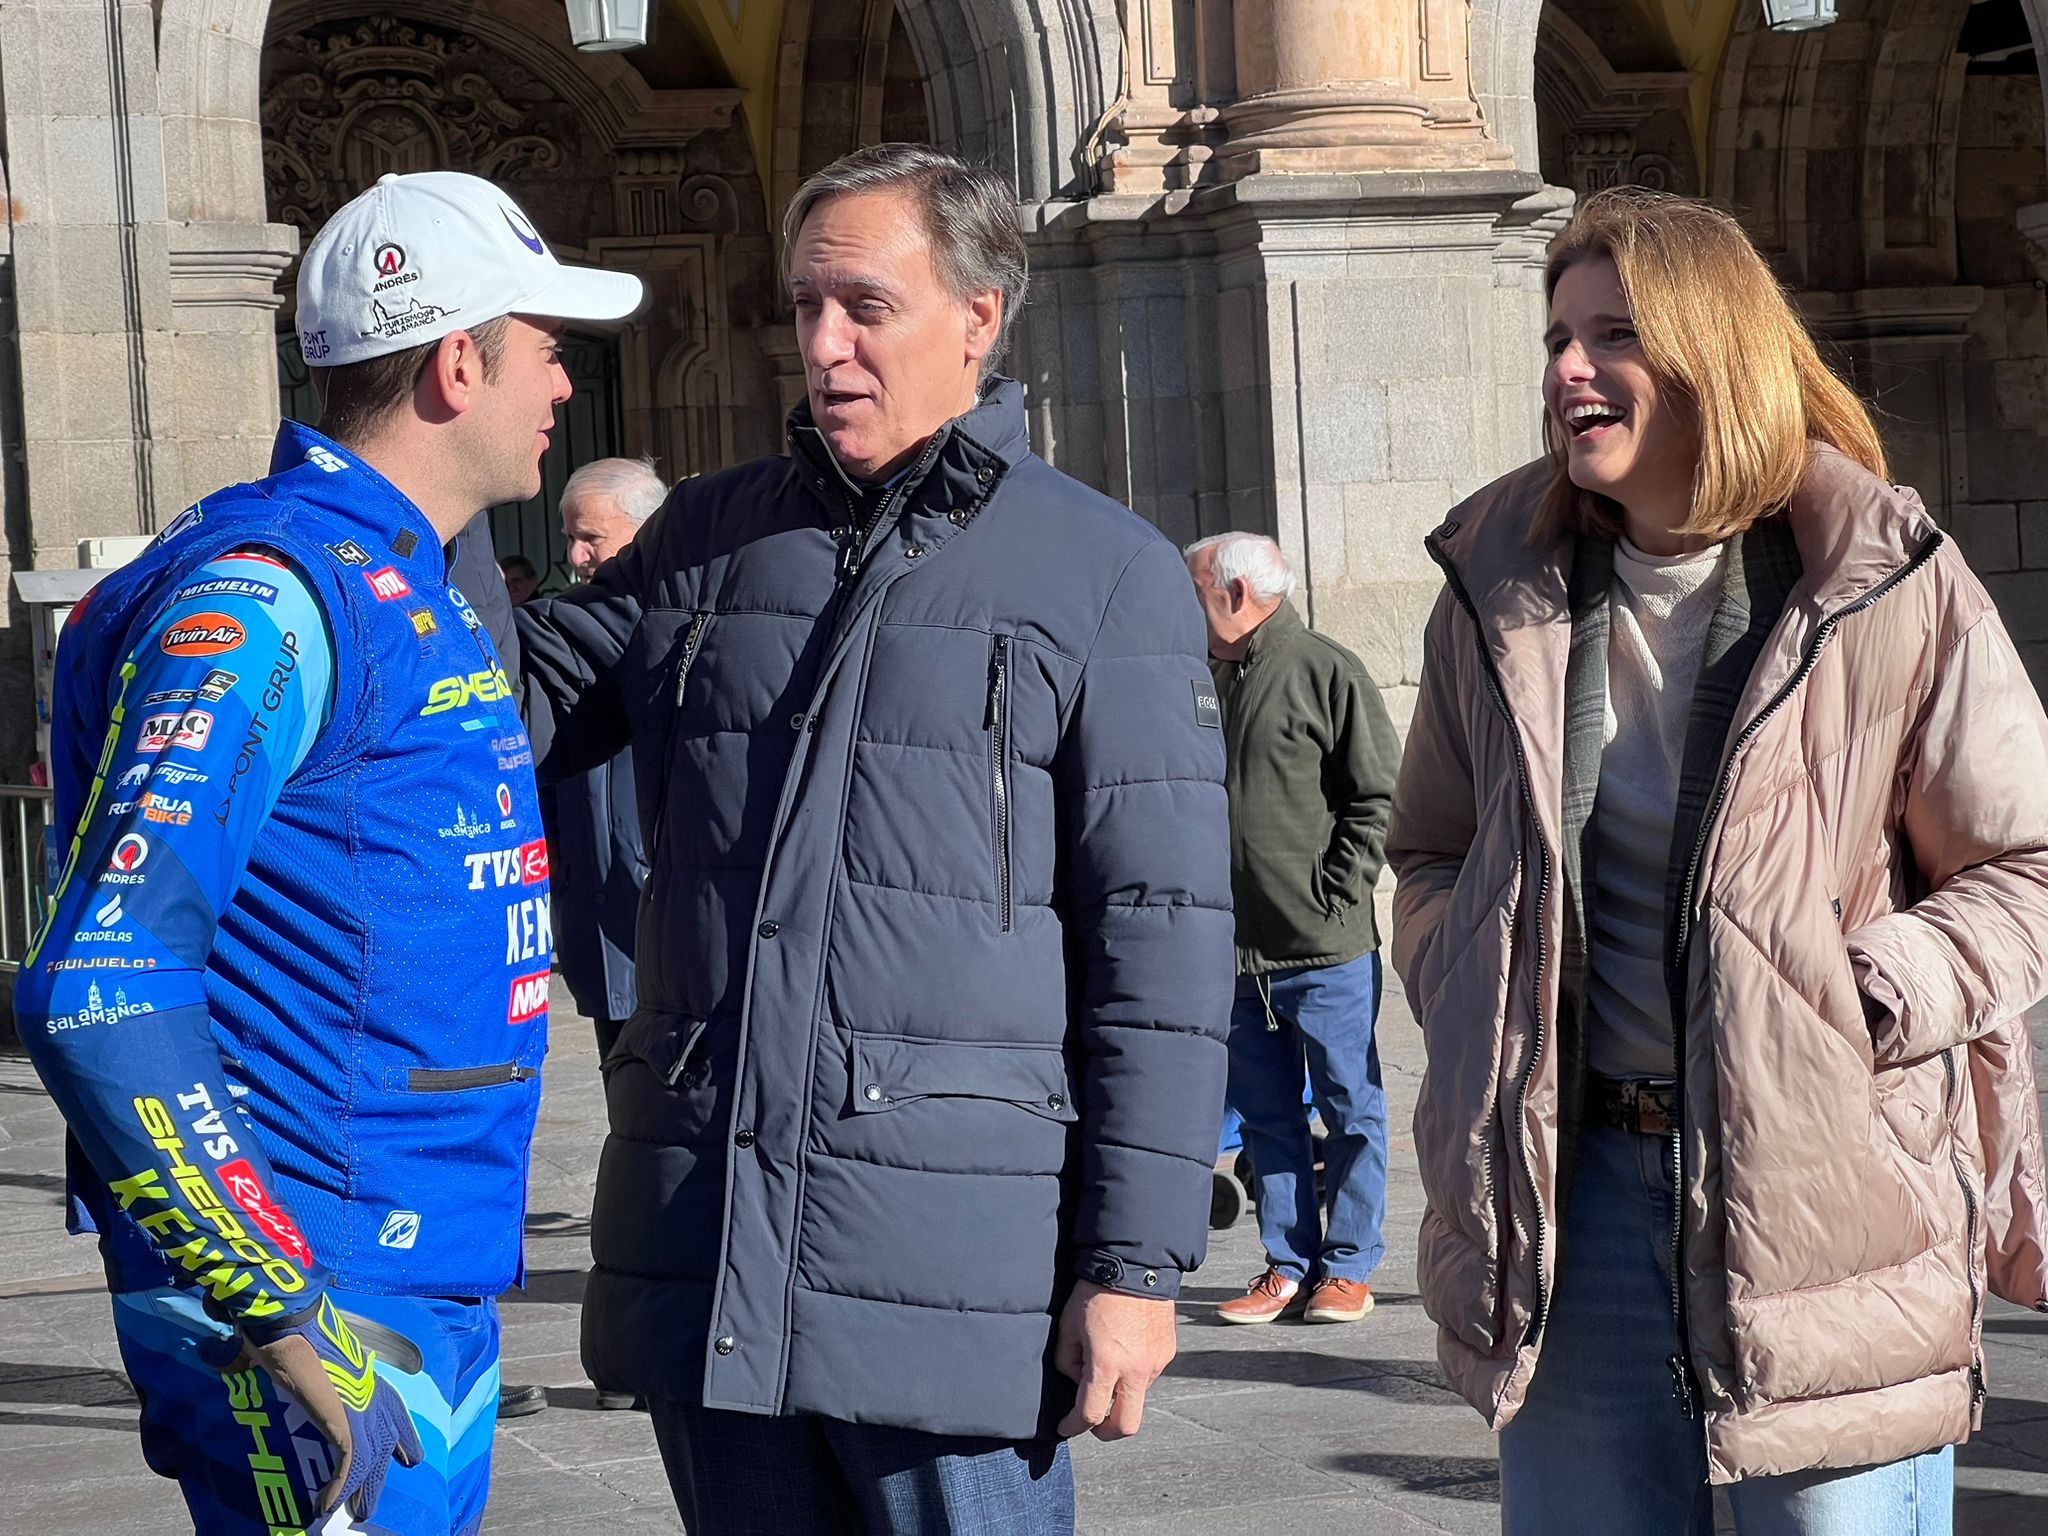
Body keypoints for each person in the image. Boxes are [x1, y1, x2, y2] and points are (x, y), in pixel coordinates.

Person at [515, 143, 1233, 1534]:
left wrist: (1138, 1269)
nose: (825, 347)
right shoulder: (706, 543)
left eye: (865, 307)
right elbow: (497, 702)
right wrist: (388, 504)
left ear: (980, 316)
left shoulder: (1106, 574)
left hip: (950, 1282)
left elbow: (1164, 952)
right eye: (802, 309)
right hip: (715, 1243)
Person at [1389, 186, 2048, 1535]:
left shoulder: (1879, 578)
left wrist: (1868, 993)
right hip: (1569, 1223)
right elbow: (1429, 847)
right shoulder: (1498, 586)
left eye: (1614, 334)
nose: (1569, 369)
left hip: (1828, 1204)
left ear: (1713, 352)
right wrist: (1465, 970)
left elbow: (2027, 862)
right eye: (1559, 336)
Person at [13, 169, 641, 1535]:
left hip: (412, 1245)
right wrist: (285, 1315)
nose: (563, 390)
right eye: (546, 351)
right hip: (325, 1278)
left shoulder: (402, 574)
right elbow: (102, 984)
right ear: (458, 362)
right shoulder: (267, 595)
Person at [1183, 533, 1400, 1327]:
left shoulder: (1323, 668)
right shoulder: (1201, 676)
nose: (1186, 602)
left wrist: (1333, 892)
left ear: (1235, 595)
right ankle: (1286, 1265)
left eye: (1195, 586)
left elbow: (1377, 794)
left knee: (1349, 1109)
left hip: (1324, 948)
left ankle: (1347, 1268)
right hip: (1234, 953)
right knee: (1269, 1117)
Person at [549, 457, 659, 1064]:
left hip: (665, 945)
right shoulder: (563, 630)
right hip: (594, 927)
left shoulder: (694, 630)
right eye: (570, 537)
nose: (575, 556)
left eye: (590, 538)